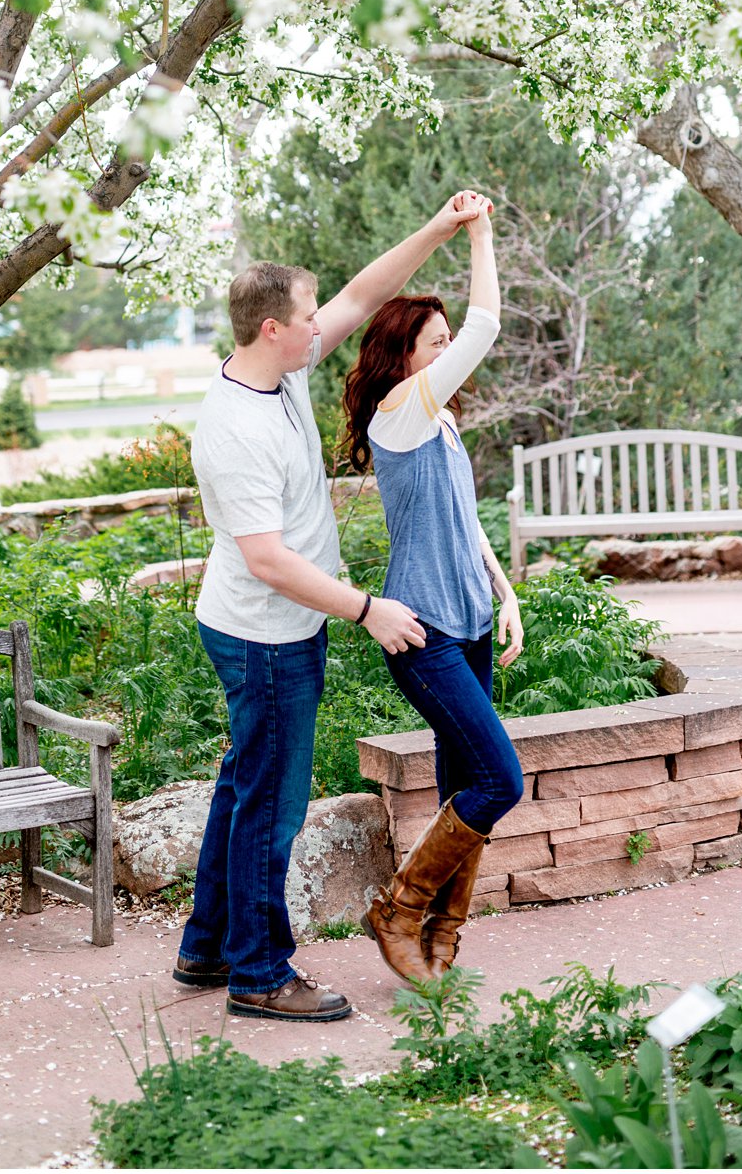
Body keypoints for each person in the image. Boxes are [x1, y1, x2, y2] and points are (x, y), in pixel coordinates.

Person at [174, 193, 488, 1022]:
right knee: (270, 811)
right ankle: (259, 976)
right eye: (308, 316)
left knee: (242, 787)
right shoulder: (234, 429)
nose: (326, 323)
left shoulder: (282, 370)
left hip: (274, 628)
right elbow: (267, 559)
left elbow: (359, 292)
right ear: (271, 328)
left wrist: (439, 225)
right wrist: (366, 609)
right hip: (265, 637)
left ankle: (206, 947)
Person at [341, 195, 522, 982]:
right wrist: (478, 233)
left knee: (463, 788)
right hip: (423, 633)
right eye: (437, 342)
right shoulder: (398, 415)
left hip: (470, 618)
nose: (453, 351)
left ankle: (443, 939)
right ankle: (399, 909)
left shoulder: (439, 420)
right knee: (499, 782)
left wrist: (502, 588)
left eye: (449, 340)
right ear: (403, 355)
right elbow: (487, 325)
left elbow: (462, 518)